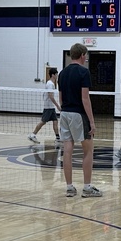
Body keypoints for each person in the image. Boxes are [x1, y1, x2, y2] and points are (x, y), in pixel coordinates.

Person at [58, 43, 101, 197]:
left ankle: (69, 187)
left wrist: (65, 110)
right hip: (78, 114)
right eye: (86, 55)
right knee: (88, 150)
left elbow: (61, 98)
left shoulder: (62, 73)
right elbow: (85, 98)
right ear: (82, 55)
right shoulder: (84, 72)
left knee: (67, 151)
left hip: (64, 113)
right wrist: (92, 122)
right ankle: (87, 188)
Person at [29, 67, 61, 143]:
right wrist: (57, 106)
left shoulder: (51, 84)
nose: (57, 76)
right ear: (53, 75)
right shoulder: (50, 84)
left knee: (55, 121)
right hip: (48, 107)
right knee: (43, 122)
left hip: (51, 107)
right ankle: (33, 135)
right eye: (56, 74)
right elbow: (50, 96)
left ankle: (57, 138)